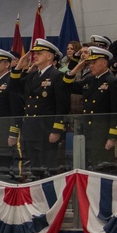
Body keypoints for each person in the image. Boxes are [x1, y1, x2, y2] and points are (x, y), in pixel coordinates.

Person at [10, 39, 70, 171]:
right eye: (34, 53)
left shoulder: (57, 76)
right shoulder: (32, 76)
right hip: (30, 129)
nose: (34, 56)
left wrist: (56, 130)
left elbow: (62, 105)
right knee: (33, 168)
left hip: (46, 130)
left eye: (39, 53)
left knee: (48, 167)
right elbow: (13, 88)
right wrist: (18, 67)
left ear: (49, 56)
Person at [64, 47, 117, 169]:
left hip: (103, 131)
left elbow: (116, 110)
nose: (91, 66)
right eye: (90, 63)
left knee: (103, 164)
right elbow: (67, 87)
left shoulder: (112, 81)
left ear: (104, 63)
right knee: (88, 163)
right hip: (88, 130)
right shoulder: (89, 79)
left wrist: (112, 136)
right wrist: (75, 70)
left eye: (94, 62)